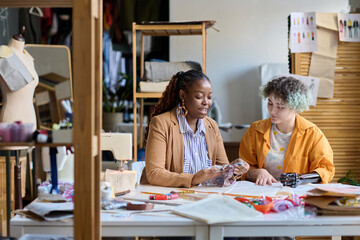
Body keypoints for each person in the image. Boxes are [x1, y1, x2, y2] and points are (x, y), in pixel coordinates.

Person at [140, 70, 249, 188]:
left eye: (209, 97)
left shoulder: (211, 125)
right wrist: (193, 179)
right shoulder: (161, 123)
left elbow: (221, 168)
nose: (206, 102)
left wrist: (233, 169)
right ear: (182, 95)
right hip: (169, 196)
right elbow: (154, 173)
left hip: (201, 196)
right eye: (199, 96)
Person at [239, 76, 335, 186]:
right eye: (270, 103)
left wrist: (300, 178)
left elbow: (326, 170)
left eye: (280, 106)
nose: (272, 111)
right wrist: (258, 172)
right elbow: (243, 168)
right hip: (264, 194)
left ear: (295, 106)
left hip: (298, 194)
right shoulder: (255, 131)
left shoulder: (313, 134)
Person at [0, 27, 38, 132]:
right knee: (12, 147)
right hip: (11, 117)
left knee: (29, 148)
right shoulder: (3, 56)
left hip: (30, 117)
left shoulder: (29, 58)